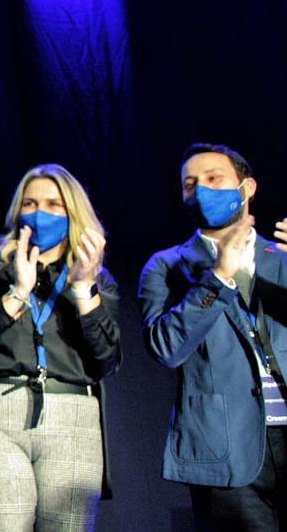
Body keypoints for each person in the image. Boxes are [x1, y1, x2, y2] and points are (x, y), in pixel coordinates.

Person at [0, 164, 121, 531]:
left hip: (72, 413)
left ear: (73, 213)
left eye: (52, 205)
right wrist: (18, 292)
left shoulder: (95, 277)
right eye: (29, 203)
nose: (39, 213)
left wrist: (81, 290)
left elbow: (107, 359)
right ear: (17, 213)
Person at [141, 143, 287, 529]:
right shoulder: (167, 266)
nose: (201, 190)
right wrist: (218, 278)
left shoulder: (282, 256)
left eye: (213, 179)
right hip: (227, 449)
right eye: (190, 184)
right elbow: (166, 347)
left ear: (247, 187)